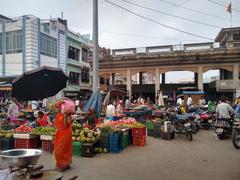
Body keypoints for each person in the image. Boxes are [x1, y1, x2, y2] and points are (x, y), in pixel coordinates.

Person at [54, 100, 73, 172]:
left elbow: (67, 124)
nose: (57, 109)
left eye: (58, 107)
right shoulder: (58, 115)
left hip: (65, 134)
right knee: (61, 150)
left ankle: (62, 165)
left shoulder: (67, 115)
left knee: (61, 150)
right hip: (59, 134)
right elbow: (57, 125)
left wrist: (65, 116)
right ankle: (65, 164)